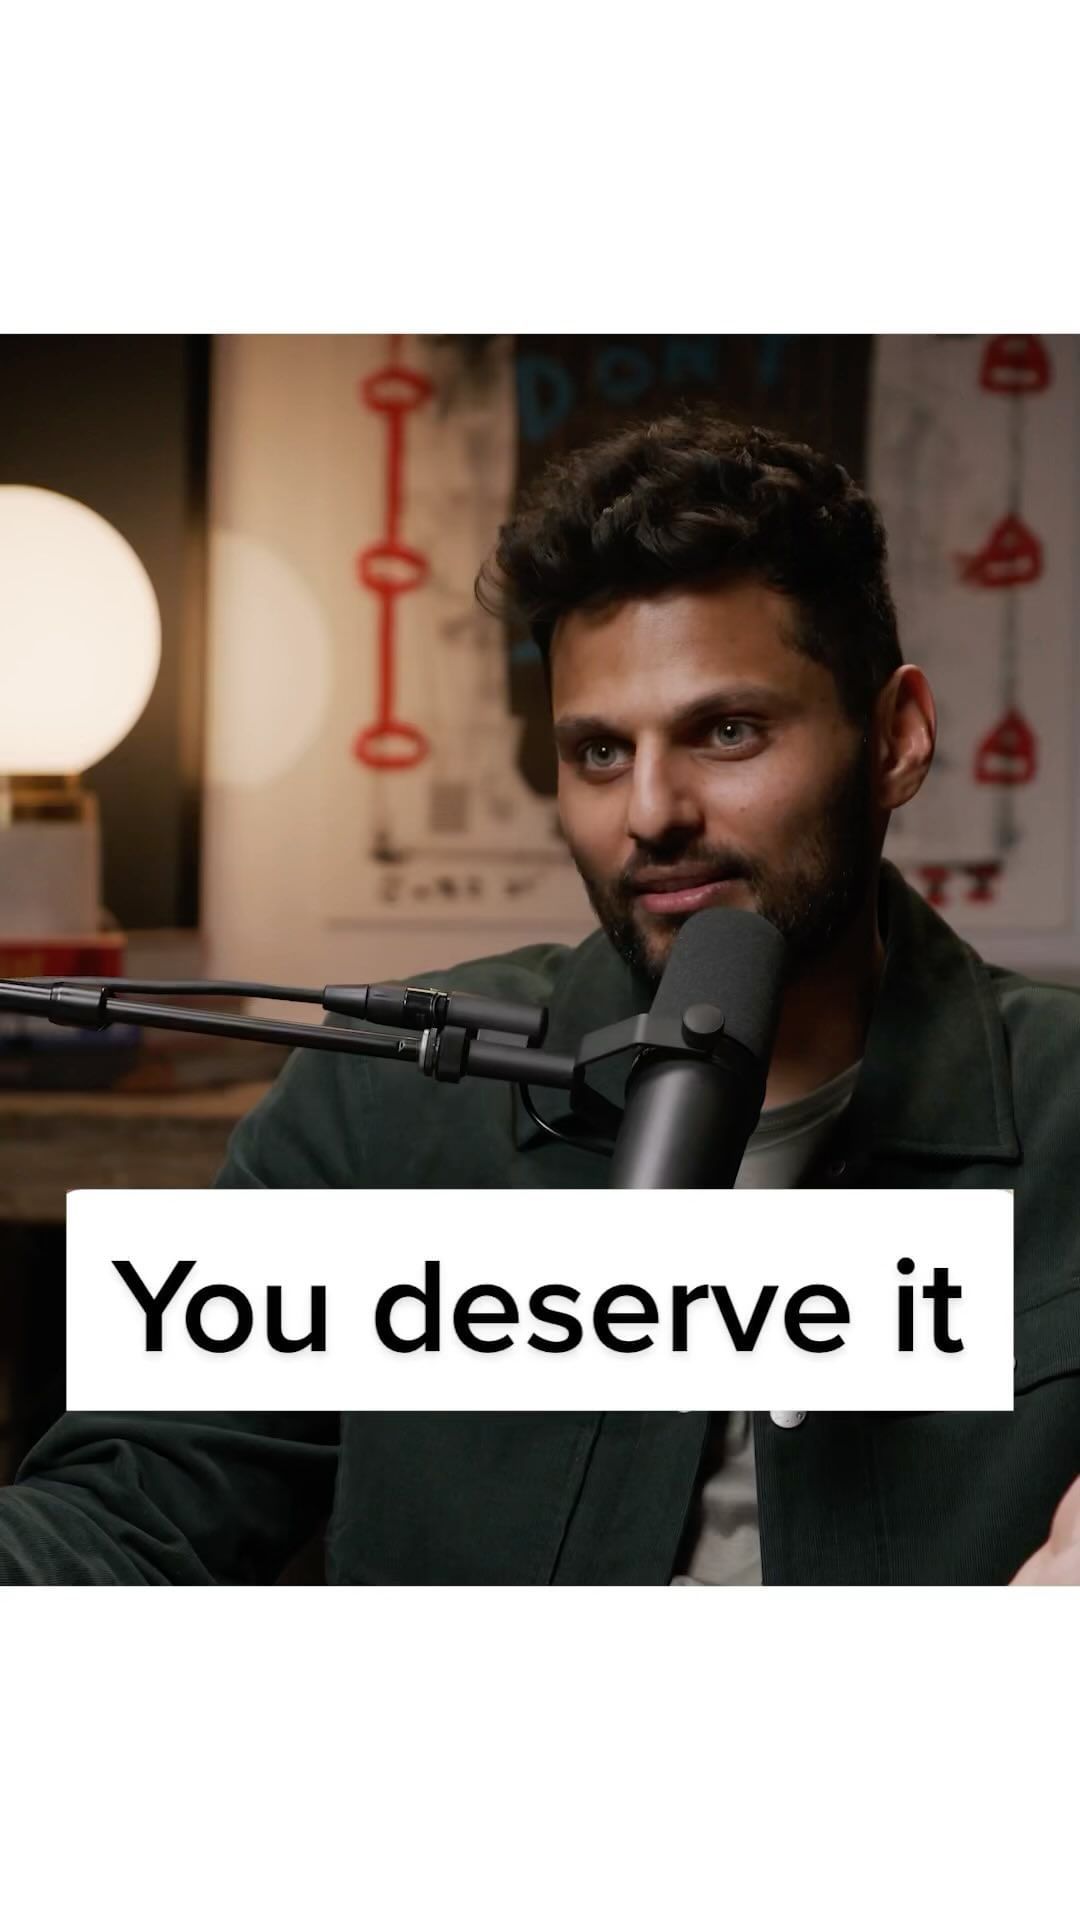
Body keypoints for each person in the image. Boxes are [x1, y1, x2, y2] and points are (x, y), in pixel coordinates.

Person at [2, 412, 1078, 1584]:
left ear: (896, 740)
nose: (651, 813)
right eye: (600, 754)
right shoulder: (385, 1103)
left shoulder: (1064, 1103)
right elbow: (128, 1505)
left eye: (726, 731)